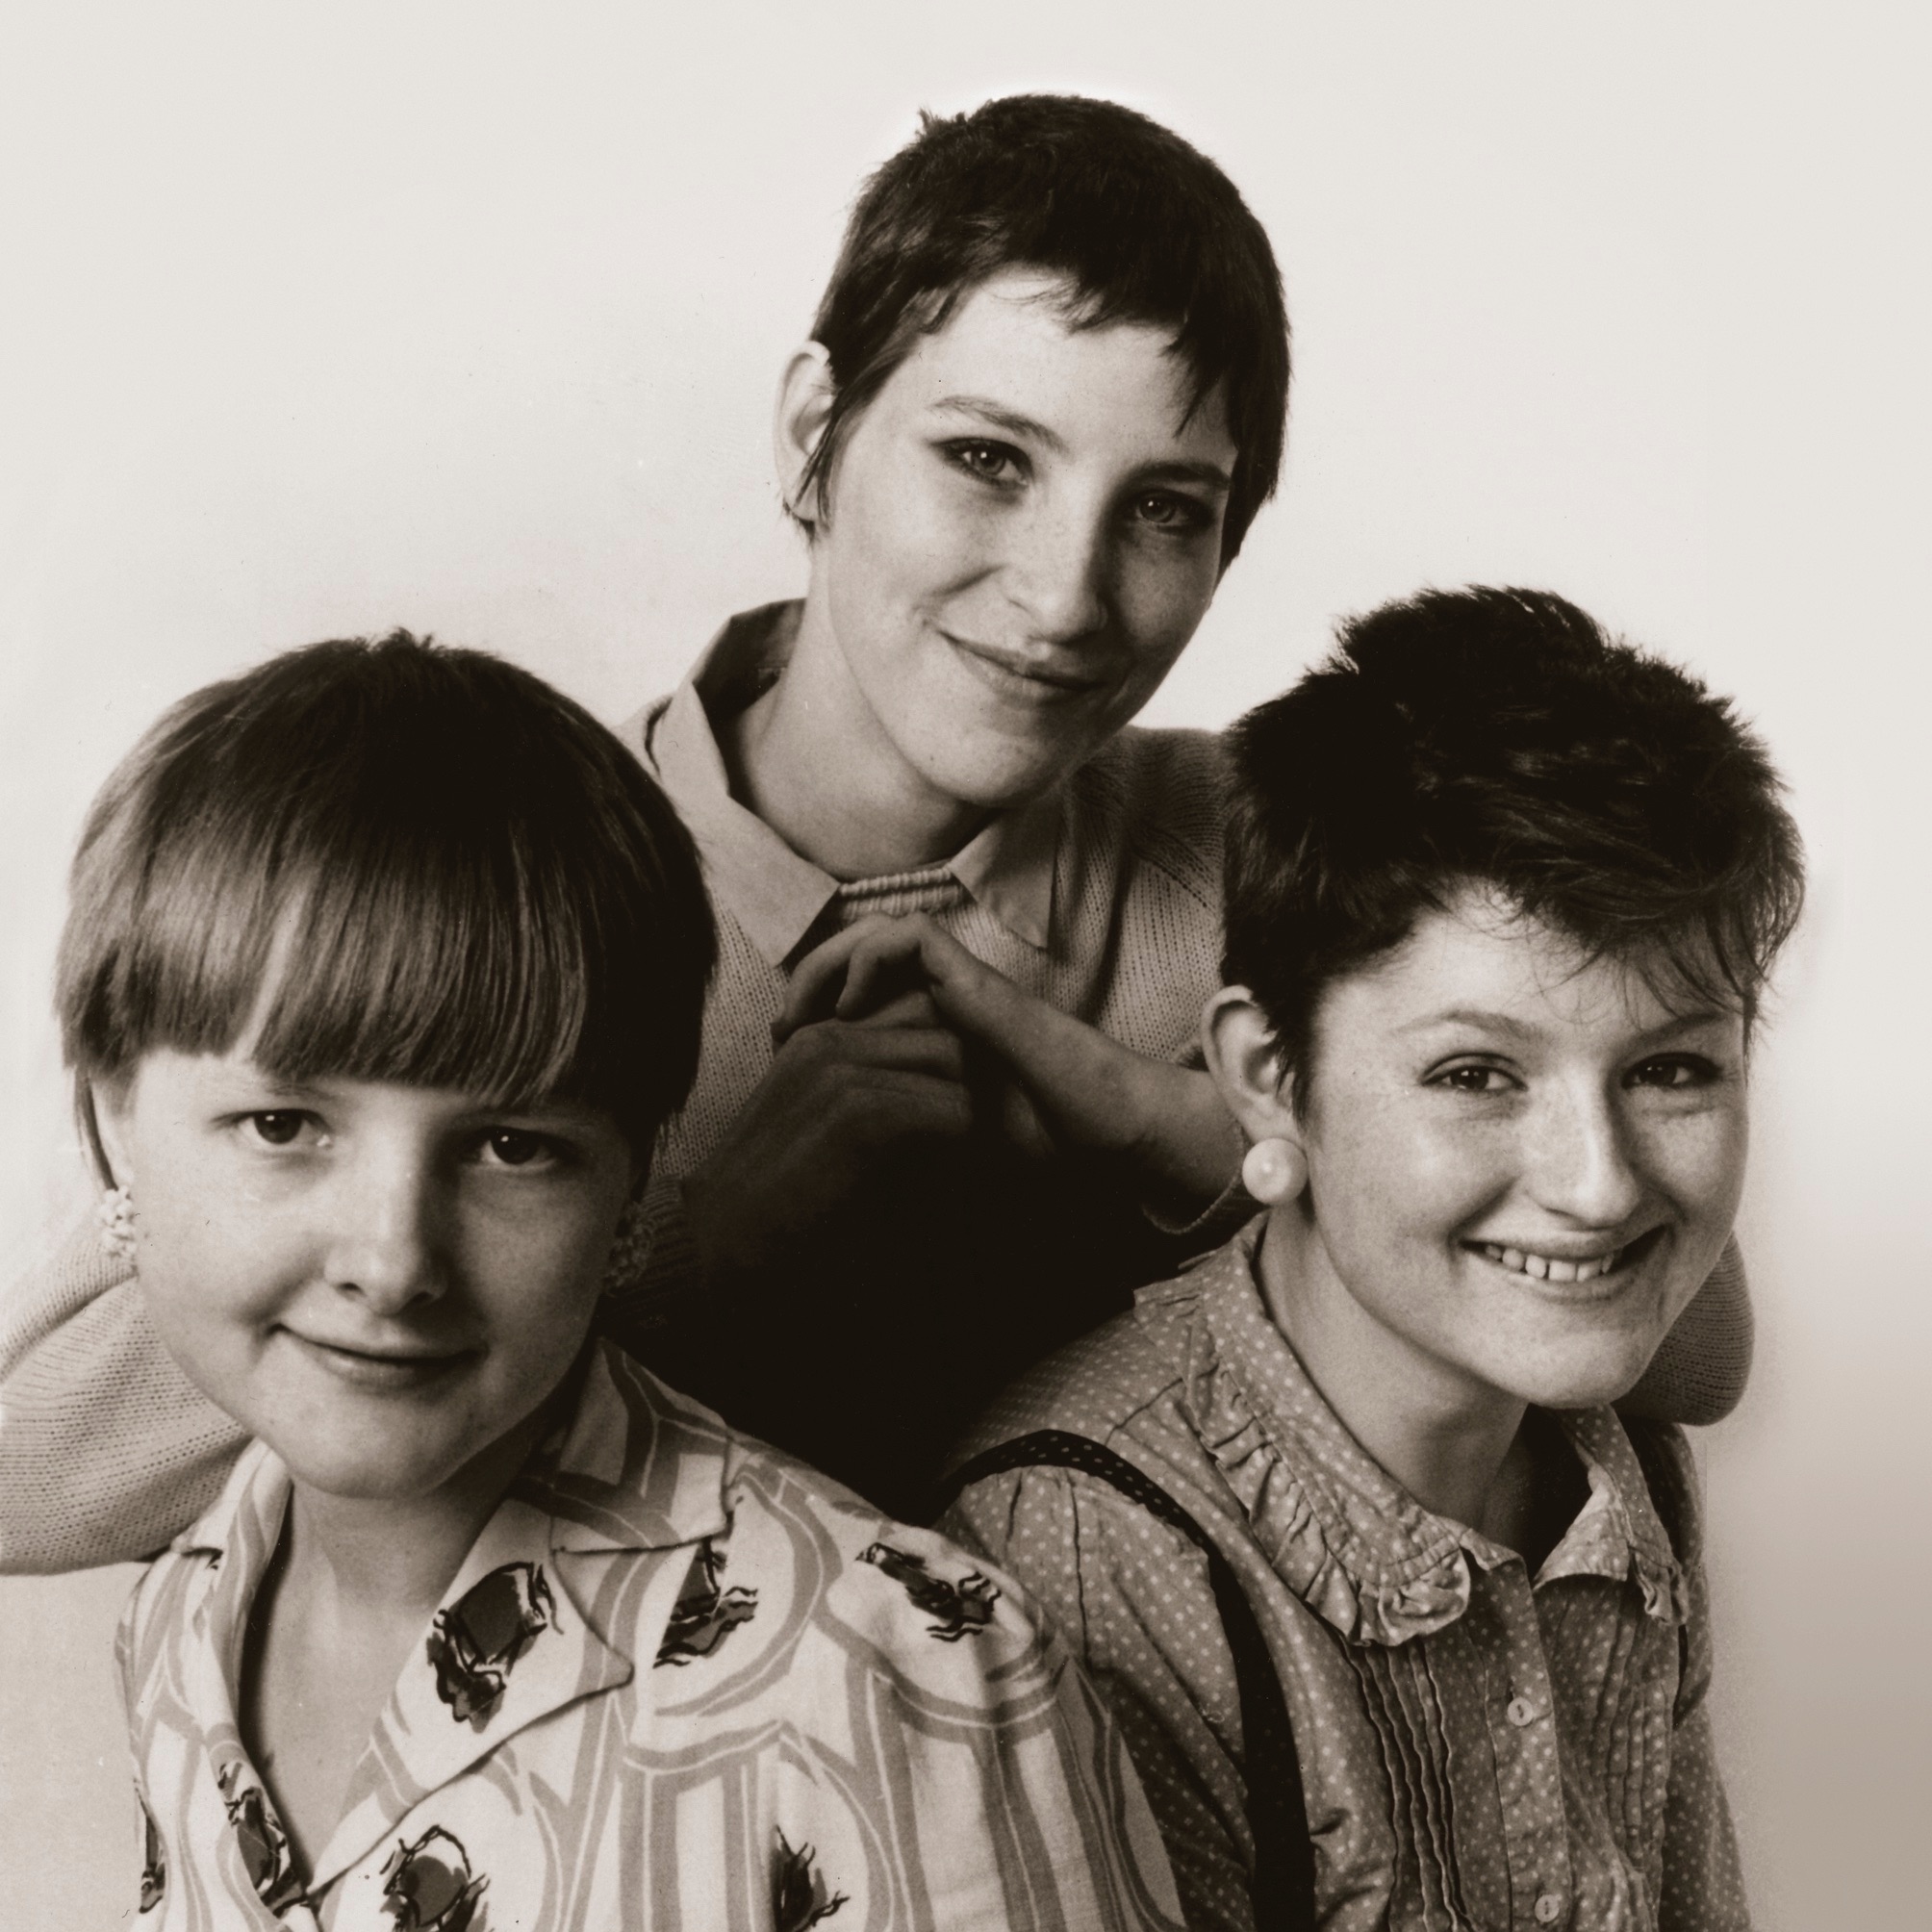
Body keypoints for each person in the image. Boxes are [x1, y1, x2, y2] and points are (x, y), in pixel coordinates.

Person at [0, 95, 1746, 1553]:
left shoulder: (1276, 842)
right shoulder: (520, 876)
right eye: (986, 458)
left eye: (1166, 510)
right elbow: (28, 1474)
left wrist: (1196, 1137)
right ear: (815, 434)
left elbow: (1695, 1347)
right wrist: (676, 1263)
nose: (1066, 596)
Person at [69, 633, 1182, 1930]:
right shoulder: (180, 1613)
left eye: (512, 1148)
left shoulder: (889, 1675)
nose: (392, 1262)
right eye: (284, 1127)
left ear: (632, 1186)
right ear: (111, 1128)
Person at [937, 587, 1802, 1931]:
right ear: (1271, 1087)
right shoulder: (1085, 1554)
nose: (1597, 1185)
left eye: (1673, 1068)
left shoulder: (1618, 1475)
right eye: (1476, 1073)